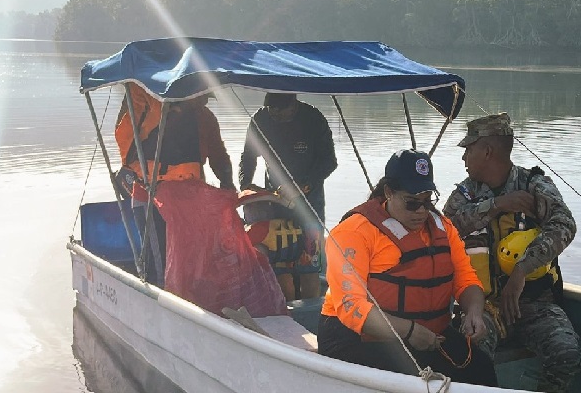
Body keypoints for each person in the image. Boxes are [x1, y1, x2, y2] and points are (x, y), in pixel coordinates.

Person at [317, 149, 497, 387]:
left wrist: (474, 311)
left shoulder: (443, 228)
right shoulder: (353, 233)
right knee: (417, 378)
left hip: (427, 333)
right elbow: (352, 308)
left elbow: (465, 278)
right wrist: (410, 332)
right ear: (389, 193)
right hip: (356, 338)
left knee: (481, 370)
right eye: (412, 203)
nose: (422, 211)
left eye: (427, 201)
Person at [443, 112, 580, 392]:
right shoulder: (465, 195)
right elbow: (445, 230)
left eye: (468, 149)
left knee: (566, 352)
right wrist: (496, 205)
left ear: (488, 151)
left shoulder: (534, 185)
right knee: (470, 350)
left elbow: (564, 225)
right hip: (482, 306)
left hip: (534, 304)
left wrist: (522, 270)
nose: (463, 158)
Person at [115, 86, 235, 286]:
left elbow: (219, 156)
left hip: (190, 200)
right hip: (152, 198)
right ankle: (157, 300)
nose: (205, 101)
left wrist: (228, 185)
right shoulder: (156, 115)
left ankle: (192, 303)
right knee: (159, 258)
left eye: (207, 96)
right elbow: (127, 139)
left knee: (192, 258)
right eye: (202, 96)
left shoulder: (205, 119)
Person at [238, 93, 337, 301]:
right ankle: (285, 308)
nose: (274, 114)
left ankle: (309, 308)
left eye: (280, 110)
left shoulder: (313, 118)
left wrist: (303, 186)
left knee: (309, 263)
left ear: (293, 104)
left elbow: (329, 162)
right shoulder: (261, 119)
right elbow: (248, 156)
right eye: (271, 109)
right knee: (279, 263)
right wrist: (246, 184)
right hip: (275, 203)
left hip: (310, 203)